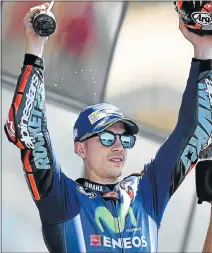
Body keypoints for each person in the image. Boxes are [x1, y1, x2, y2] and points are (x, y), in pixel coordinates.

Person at [4, 2, 212, 253]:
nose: (118, 146)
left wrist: (203, 50)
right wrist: (35, 48)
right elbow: (29, 131)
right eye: (105, 137)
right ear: (80, 148)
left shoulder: (146, 193)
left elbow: (196, 131)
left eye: (125, 139)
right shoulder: (64, 200)